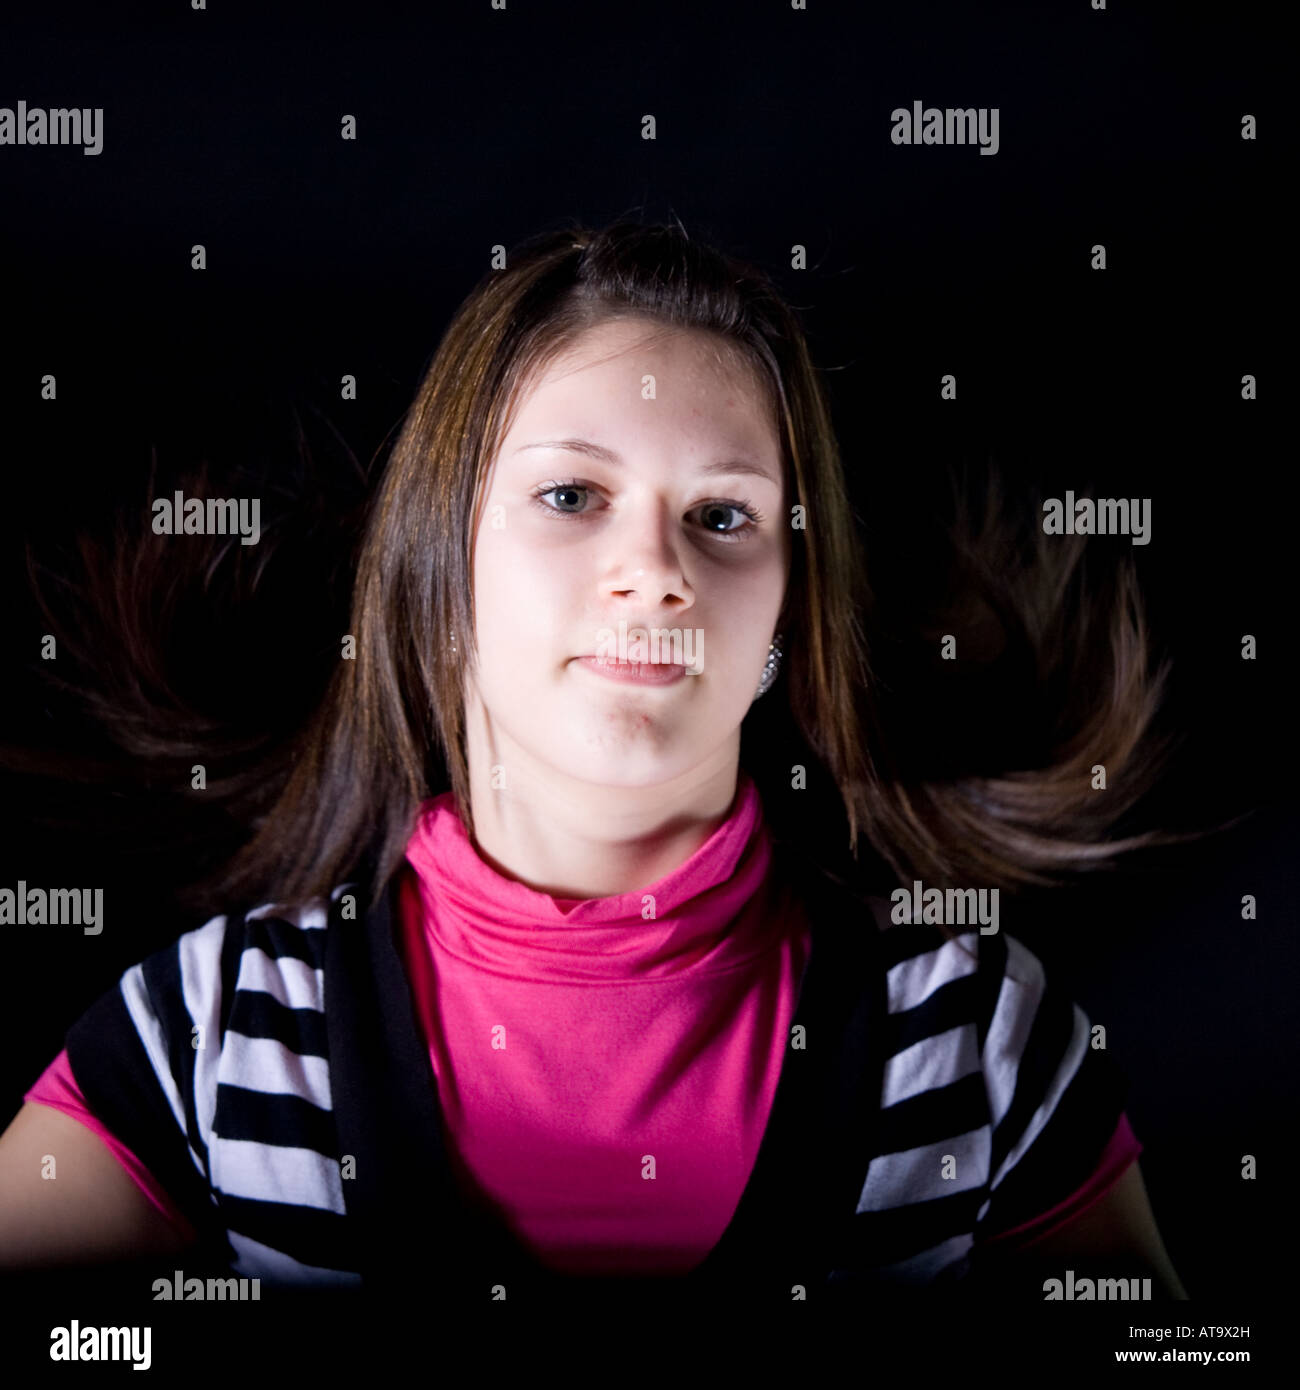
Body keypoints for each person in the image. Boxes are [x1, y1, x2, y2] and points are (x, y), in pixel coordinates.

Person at [0, 219, 1188, 1302]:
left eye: (723, 517)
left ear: (788, 607)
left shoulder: (981, 1037)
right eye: (571, 494)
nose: (656, 570)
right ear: (436, 566)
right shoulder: (199, 1039)